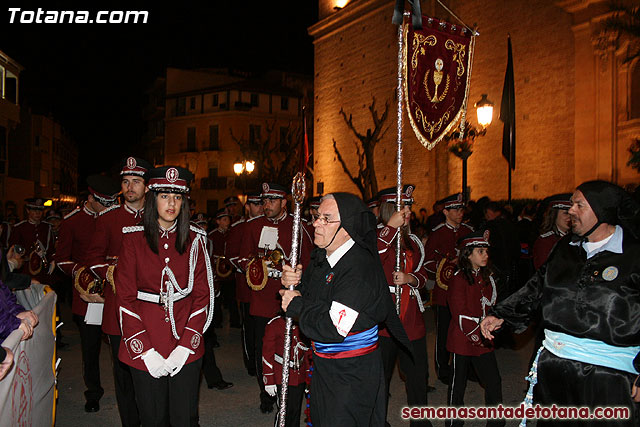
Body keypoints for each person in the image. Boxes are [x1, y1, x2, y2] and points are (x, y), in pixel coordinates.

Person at [481, 181, 640, 426]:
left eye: (579, 205)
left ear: (603, 210)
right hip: (557, 369)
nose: (571, 211)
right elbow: (537, 286)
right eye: (570, 205)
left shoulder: (633, 255)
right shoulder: (566, 248)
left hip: (610, 377)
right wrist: (503, 314)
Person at [280, 192, 411, 426]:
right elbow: (313, 296)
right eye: (317, 216)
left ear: (348, 227)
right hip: (324, 365)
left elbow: (332, 327)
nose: (317, 223)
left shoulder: (358, 268)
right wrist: (295, 283)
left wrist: (296, 305)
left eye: (326, 219)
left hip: (352, 374)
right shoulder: (323, 257)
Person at [115, 166, 215, 426]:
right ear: (152, 199)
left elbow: (203, 296)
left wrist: (186, 346)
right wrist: (145, 351)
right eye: (164, 196)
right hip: (145, 339)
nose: (172, 203)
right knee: (152, 418)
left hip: (185, 340)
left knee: (185, 417)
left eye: (178, 197)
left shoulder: (195, 240)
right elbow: (125, 299)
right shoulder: (133, 240)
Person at [86, 156, 151, 426]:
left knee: (150, 370)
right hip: (118, 309)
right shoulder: (108, 218)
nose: (130, 187)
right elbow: (94, 257)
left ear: (147, 187)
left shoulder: (158, 217)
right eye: (126, 182)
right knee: (123, 372)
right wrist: (113, 274)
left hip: (151, 306)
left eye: (136, 182)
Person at [237, 182, 313, 413]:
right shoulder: (253, 226)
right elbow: (242, 260)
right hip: (263, 299)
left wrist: (293, 272)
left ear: (284, 201)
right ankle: (266, 391)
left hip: (292, 298)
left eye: (271, 201)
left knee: (294, 347)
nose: (266, 205)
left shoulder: (299, 226)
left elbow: (311, 263)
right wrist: (258, 266)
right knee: (264, 348)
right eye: (264, 201)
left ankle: (293, 390)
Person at [54, 174, 120, 412]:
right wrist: (81, 271)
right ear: (91, 199)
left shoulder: (115, 218)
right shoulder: (72, 222)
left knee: (119, 345)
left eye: (111, 202)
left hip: (114, 291)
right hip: (88, 294)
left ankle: (127, 391)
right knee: (90, 348)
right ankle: (93, 392)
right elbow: (61, 259)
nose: (107, 207)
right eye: (103, 202)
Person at [376, 185, 433, 427]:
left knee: (417, 376)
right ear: (391, 209)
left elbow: (424, 271)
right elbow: (373, 256)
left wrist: (410, 279)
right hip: (384, 320)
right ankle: (377, 421)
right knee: (380, 378)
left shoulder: (414, 241)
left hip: (411, 319)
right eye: (403, 207)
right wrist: (391, 229)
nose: (409, 211)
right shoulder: (377, 235)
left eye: (410, 206)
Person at [446, 230, 503, 427]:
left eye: (486, 251)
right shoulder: (458, 278)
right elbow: (459, 312)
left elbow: (492, 306)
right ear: (468, 255)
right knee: (457, 384)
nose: (486, 255)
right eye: (480, 251)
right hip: (463, 339)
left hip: (484, 337)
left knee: (493, 380)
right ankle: (454, 422)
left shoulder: (487, 277)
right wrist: (476, 335)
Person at [423, 193, 473, 384]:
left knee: (466, 329)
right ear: (446, 212)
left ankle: (466, 368)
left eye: (462, 209)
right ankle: (443, 370)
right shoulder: (438, 233)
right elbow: (427, 262)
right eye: (456, 210)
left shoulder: (468, 231)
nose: (460, 213)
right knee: (443, 332)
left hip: (466, 293)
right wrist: (446, 266)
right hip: (444, 292)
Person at [227, 190, 263, 377]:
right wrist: (253, 270)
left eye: (262, 204)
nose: (260, 208)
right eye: (256, 204)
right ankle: (251, 363)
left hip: (267, 291)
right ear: (248, 207)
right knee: (249, 328)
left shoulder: (267, 225)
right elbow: (232, 257)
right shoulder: (239, 228)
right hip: (247, 288)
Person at [262, 314, 312, 427]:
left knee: (295, 410)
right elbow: (267, 353)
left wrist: (309, 374)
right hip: (281, 375)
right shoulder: (275, 325)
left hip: (299, 374)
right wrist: (269, 379)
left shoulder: (303, 323)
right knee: (284, 413)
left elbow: (307, 352)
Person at [9, 198, 55, 284]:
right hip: (25, 270)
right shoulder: (19, 228)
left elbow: (51, 248)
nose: (38, 213)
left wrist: (52, 260)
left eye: (40, 210)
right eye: (34, 210)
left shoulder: (46, 227)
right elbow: (13, 250)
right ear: (28, 210)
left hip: (43, 272)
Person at [532, 193, 572, 270]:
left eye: (572, 214)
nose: (570, 217)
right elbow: (545, 272)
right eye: (566, 213)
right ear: (554, 215)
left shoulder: (577, 239)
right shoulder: (545, 242)